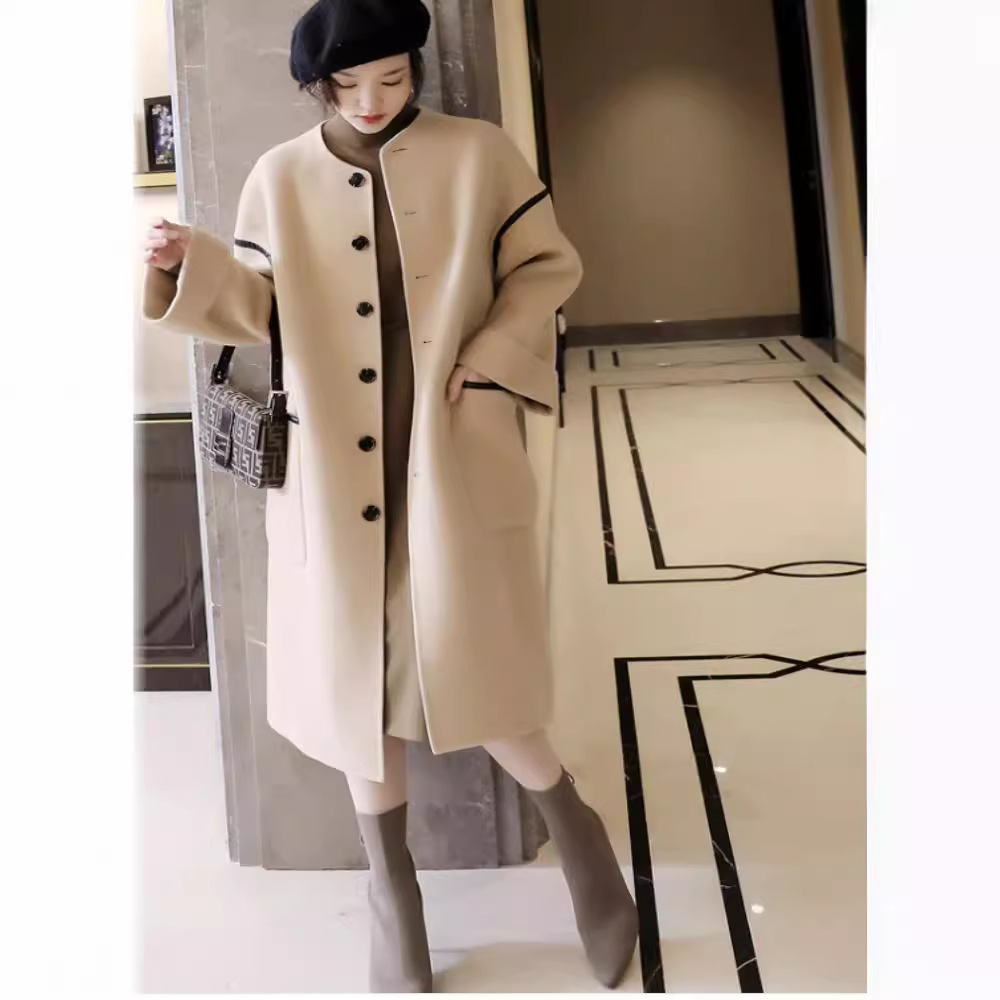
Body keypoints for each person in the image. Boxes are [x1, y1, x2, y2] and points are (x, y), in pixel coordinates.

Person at [142, 0, 638, 991]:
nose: (372, 102)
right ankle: (391, 888)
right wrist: (185, 265)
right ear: (317, 87)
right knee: (354, 684)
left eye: (392, 81)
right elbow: (256, 306)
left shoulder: (479, 154)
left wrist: (494, 354)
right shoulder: (279, 175)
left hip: (446, 448)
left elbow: (546, 267)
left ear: (414, 69)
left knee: (470, 658)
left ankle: (576, 831)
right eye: (349, 86)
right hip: (333, 464)